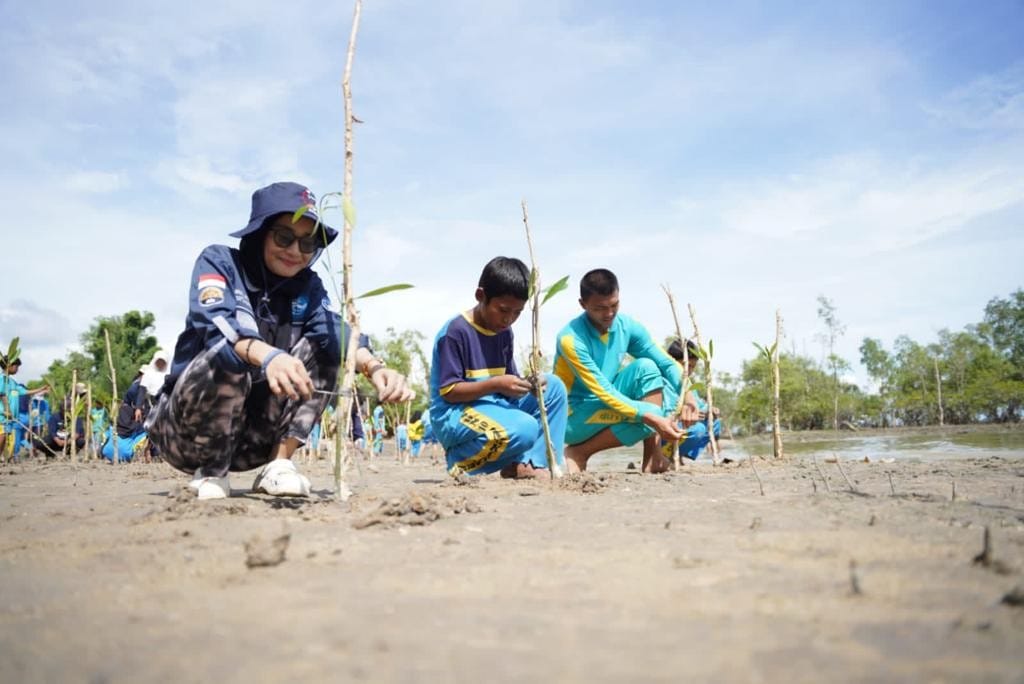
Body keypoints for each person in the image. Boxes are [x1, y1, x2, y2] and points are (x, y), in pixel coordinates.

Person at [146, 181, 411, 500]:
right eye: (284, 237)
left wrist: (374, 366)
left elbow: (334, 330)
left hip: (252, 439)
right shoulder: (220, 263)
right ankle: (212, 471)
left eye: (307, 243)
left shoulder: (308, 287)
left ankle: (278, 464)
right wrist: (267, 355)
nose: (295, 252)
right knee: (229, 353)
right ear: (259, 234)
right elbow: (216, 321)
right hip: (185, 434)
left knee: (326, 345)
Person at [429, 256, 567, 478]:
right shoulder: (455, 332)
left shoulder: (504, 333)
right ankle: (461, 462)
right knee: (525, 428)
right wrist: (496, 384)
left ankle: (531, 463)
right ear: (481, 296)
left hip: (494, 407)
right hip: (455, 413)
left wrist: (527, 385)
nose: (509, 319)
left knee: (554, 387)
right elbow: (450, 392)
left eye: (517, 312)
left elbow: (510, 378)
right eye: (503, 310)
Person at [553, 268, 683, 474]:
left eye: (614, 305)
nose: (609, 314)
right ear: (583, 304)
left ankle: (652, 457)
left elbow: (666, 363)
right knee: (651, 413)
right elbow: (603, 391)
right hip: (573, 416)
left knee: (647, 367)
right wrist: (651, 416)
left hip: (605, 403)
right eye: (600, 308)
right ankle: (580, 452)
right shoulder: (571, 339)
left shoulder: (626, 325)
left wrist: (690, 394)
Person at [662, 338, 721, 461]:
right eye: (686, 365)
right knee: (698, 430)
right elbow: (661, 412)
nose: (689, 371)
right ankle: (664, 454)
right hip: (667, 428)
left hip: (686, 425)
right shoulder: (662, 381)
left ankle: (679, 455)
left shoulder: (688, 384)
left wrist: (709, 410)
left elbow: (699, 405)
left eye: (692, 367)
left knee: (715, 423)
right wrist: (680, 414)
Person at [102, 371, 149, 463]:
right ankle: (145, 455)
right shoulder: (140, 386)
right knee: (147, 432)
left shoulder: (114, 423)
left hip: (107, 452)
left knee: (110, 431)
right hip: (127, 454)